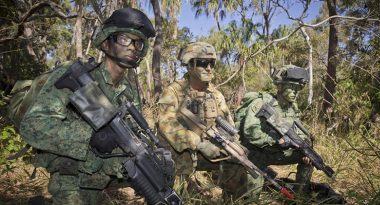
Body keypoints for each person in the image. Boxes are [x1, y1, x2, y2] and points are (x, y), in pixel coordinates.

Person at [20, 8, 157, 205]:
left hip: (100, 182)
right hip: (69, 182)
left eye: (139, 43)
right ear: (105, 42)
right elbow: (33, 125)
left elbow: (127, 142)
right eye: (125, 39)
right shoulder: (78, 75)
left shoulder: (130, 93)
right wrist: (89, 137)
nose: (133, 47)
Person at [158, 42, 247, 200]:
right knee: (177, 192)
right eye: (203, 63)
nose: (209, 68)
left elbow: (228, 124)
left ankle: (233, 200)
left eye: (211, 63)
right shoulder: (173, 91)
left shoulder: (216, 95)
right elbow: (167, 125)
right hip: (180, 155)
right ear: (190, 65)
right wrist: (198, 142)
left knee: (237, 163)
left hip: (209, 151)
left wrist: (232, 144)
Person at [237, 65, 314, 198]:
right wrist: (275, 141)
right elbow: (250, 131)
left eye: (298, 87)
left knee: (309, 159)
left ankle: (299, 197)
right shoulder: (262, 103)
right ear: (280, 86)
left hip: (277, 151)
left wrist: (305, 148)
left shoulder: (292, 109)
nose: (295, 91)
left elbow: (299, 131)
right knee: (251, 197)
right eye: (291, 86)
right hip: (256, 153)